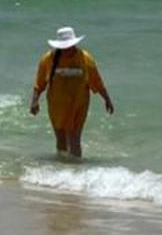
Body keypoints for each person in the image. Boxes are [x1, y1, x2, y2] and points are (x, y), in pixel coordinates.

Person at [30, 26, 114, 158]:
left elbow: (97, 81)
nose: (67, 49)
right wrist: (34, 102)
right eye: (64, 47)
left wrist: (107, 99)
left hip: (78, 104)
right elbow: (39, 83)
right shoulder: (48, 59)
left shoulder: (85, 58)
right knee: (61, 138)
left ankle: (76, 169)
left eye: (69, 46)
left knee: (75, 138)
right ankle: (62, 168)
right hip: (57, 105)